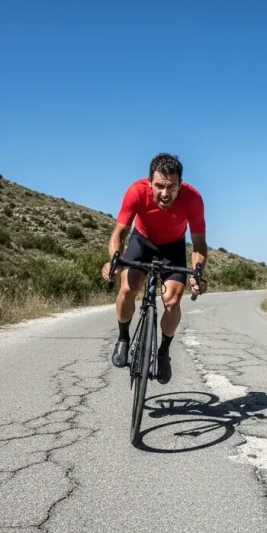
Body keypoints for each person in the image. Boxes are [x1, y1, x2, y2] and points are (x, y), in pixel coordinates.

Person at [101, 153, 207, 384]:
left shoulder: (193, 199)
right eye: (159, 186)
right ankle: (123, 338)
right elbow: (120, 232)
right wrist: (115, 261)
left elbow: (199, 243)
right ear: (149, 182)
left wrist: (197, 272)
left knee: (172, 302)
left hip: (173, 247)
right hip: (142, 241)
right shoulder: (136, 191)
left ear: (180, 184)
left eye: (171, 187)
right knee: (127, 289)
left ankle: (164, 351)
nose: (165, 193)